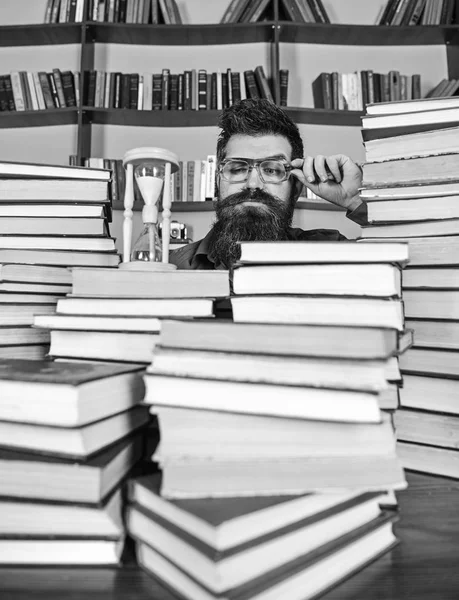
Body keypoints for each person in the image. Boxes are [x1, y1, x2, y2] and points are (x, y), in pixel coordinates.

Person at [170, 98, 367, 270]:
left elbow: (397, 270)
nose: (253, 184)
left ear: (296, 188)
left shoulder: (331, 254)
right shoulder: (173, 268)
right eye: (238, 168)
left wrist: (354, 200)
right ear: (217, 183)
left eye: (271, 170)